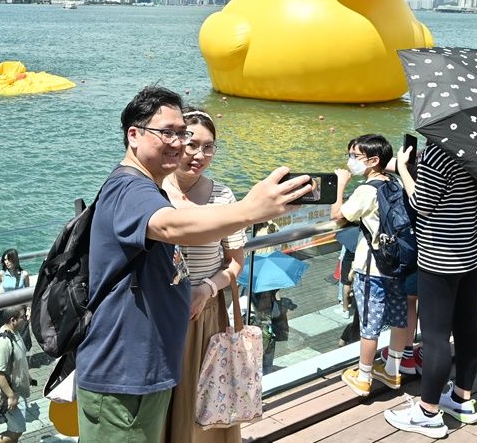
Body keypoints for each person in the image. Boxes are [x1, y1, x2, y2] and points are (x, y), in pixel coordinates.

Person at [76, 86, 310, 442]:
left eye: (180, 133)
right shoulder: (132, 188)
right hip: (126, 368)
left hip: (152, 355)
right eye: (167, 133)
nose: (178, 143)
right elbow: (169, 225)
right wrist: (251, 210)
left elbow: (230, 259)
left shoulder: (151, 187)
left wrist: (208, 286)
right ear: (134, 135)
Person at [384, 140, 477, 438]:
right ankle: (461, 399)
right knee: (467, 326)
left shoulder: (441, 150)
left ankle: (428, 412)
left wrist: (404, 169)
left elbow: (422, 202)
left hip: (441, 256)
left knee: (435, 337)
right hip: (475, 250)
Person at [162, 107, 246, 443]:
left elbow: (235, 263)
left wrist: (207, 288)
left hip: (204, 315)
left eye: (208, 147)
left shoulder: (222, 196)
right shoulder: (152, 190)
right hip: (162, 310)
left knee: (203, 400)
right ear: (176, 141)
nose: (199, 154)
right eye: (192, 143)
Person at [331, 134, 412, 397]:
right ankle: (392, 369)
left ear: (373, 160)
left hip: (372, 268)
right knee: (399, 320)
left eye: (355, 156)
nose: (350, 160)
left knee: (369, 324)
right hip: (397, 264)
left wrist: (341, 185)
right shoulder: (395, 183)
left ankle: (363, 376)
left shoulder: (366, 190)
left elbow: (338, 217)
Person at [0, 306, 32, 443]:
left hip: (17, 391)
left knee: (16, 431)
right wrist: (11, 396)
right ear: (13, 320)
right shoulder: (4, 342)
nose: (25, 319)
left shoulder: (14, 332)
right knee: (15, 431)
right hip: (11, 393)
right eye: (23, 317)